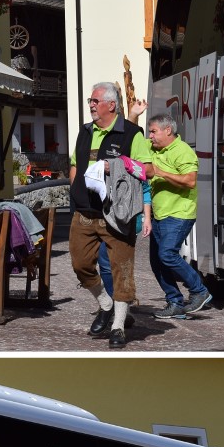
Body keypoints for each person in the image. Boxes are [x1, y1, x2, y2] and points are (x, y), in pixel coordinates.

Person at [68, 81, 153, 349]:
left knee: (121, 269)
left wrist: (116, 165)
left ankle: (118, 326)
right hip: (85, 211)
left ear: (112, 105)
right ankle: (105, 304)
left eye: (95, 101)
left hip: (117, 212)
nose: (91, 105)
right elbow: (74, 163)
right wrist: (75, 188)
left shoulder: (131, 133)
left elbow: (148, 170)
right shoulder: (85, 131)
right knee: (80, 264)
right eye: (90, 101)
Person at [141, 112, 213, 320]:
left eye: (153, 131)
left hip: (179, 213)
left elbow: (190, 181)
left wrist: (160, 172)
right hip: (159, 214)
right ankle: (175, 302)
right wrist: (134, 114)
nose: (150, 136)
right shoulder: (152, 147)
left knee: (167, 254)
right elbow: (134, 141)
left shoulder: (183, 151)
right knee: (157, 262)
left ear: (168, 130)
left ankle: (200, 291)